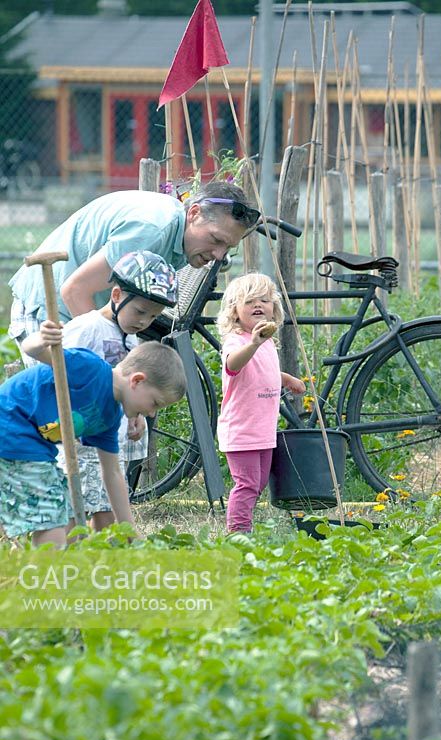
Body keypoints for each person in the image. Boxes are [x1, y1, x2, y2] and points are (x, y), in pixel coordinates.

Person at [8, 180, 259, 360]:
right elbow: (74, 291)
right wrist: (108, 360)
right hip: (48, 311)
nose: (219, 255)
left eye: (228, 247)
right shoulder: (151, 230)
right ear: (194, 213)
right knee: (62, 419)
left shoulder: (184, 239)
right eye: (216, 239)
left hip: (77, 311)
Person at [0, 324, 186, 548]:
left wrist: (131, 534)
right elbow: (34, 350)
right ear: (137, 381)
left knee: (61, 511)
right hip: (11, 426)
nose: (151, 413)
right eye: (154, 403)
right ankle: (45, 578)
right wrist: (42, 338)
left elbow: (113, 473)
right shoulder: (89, 368)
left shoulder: (109, 417)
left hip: (32, 444)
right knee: (53, 514)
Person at [55, 249, 178, 532]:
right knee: (79, 506)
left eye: (152, 316)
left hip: (110, 440)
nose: (143, 321)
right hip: (84, 441)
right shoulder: (86, 329)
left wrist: (134, 416)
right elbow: (62, 376)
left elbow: (129, 386)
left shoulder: (130, 337)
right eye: (140, 312)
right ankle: (65, 555)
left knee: (106, 504)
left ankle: (105, 555)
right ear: (117, 295)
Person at [216, 273, 306, 533]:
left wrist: (286, 379)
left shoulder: (266, 344)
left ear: (273, 309)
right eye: (250, 301)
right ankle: (238, 532)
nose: (258, 304)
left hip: (263, 431)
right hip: (242, 430)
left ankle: (244, 525)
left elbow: (261, 373)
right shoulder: (238, 341)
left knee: (259, 483)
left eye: (265, 300)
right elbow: (234, 365)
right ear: (234, 312)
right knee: (246, 484)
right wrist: (254, 343)